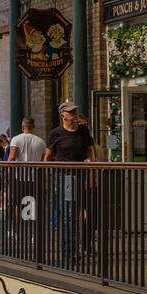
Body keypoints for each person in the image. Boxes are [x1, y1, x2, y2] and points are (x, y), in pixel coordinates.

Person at [44, 101, 96, 260]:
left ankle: (75, 249)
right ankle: (69, 251)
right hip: (64, 177)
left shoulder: (84, 131)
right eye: (70, 112)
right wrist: (48, 176)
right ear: (63, 116)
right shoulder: (56, 133)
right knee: (68, 213)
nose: (73, 115)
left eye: (74, 112)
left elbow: (91, 151)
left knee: (78, 213)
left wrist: (92, 172)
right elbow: (47, 157)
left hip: (80, 176)